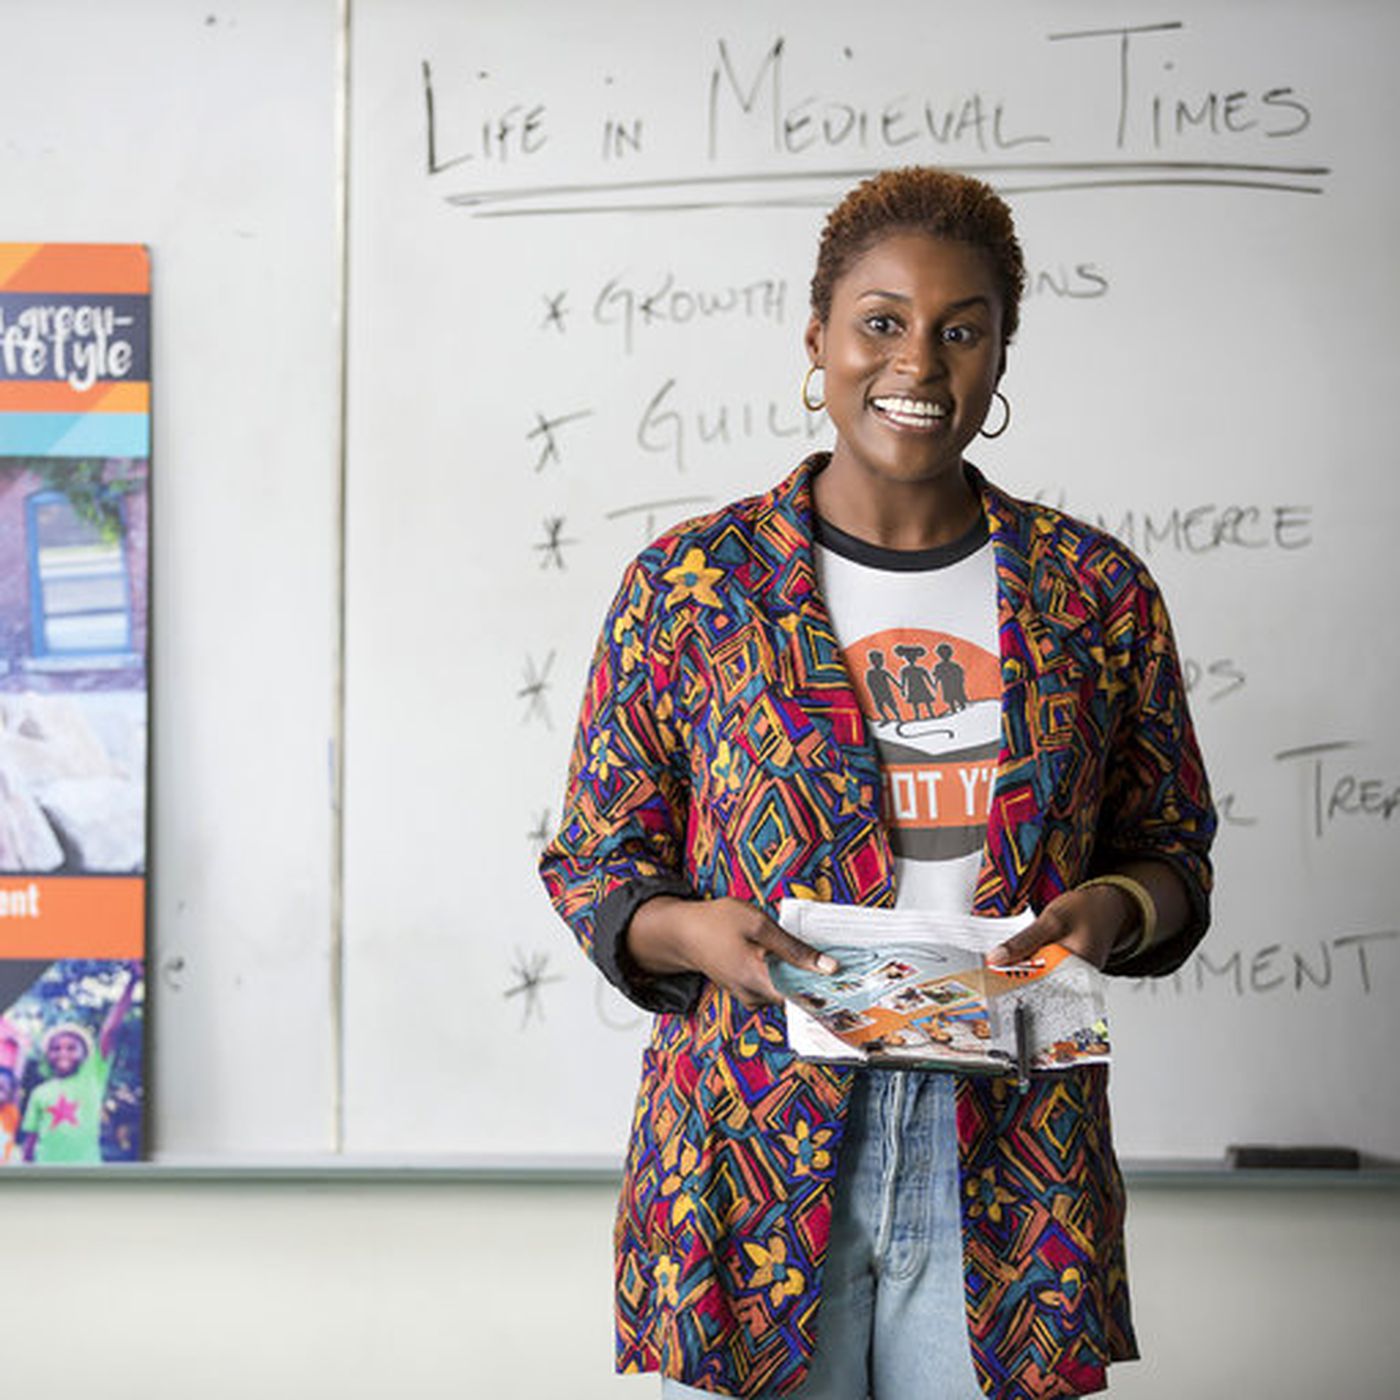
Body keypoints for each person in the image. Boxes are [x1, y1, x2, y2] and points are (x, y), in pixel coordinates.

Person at [540, 167, 1214, 1399]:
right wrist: (693, 929)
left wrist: (1109, 910)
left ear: (1002, 353)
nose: (919, 358)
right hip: (753, 1147)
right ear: (818, 338)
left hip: (1009, 1151)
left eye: (963, 328)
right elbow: (593, 859)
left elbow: (1171, 850)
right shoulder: (695, 585)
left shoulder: (1089, 591)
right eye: (882, 320)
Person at [18, 965, 138, 1164]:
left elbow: (110, 1029)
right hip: (46, 1172)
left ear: (85, 1054)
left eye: (71, 1047)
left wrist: (132, 982)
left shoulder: (92, 1076)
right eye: (56, 1048)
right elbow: (30, 1141)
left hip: (87, 1171)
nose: (63, 1053)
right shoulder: (40, 1092)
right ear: (48, 1055)